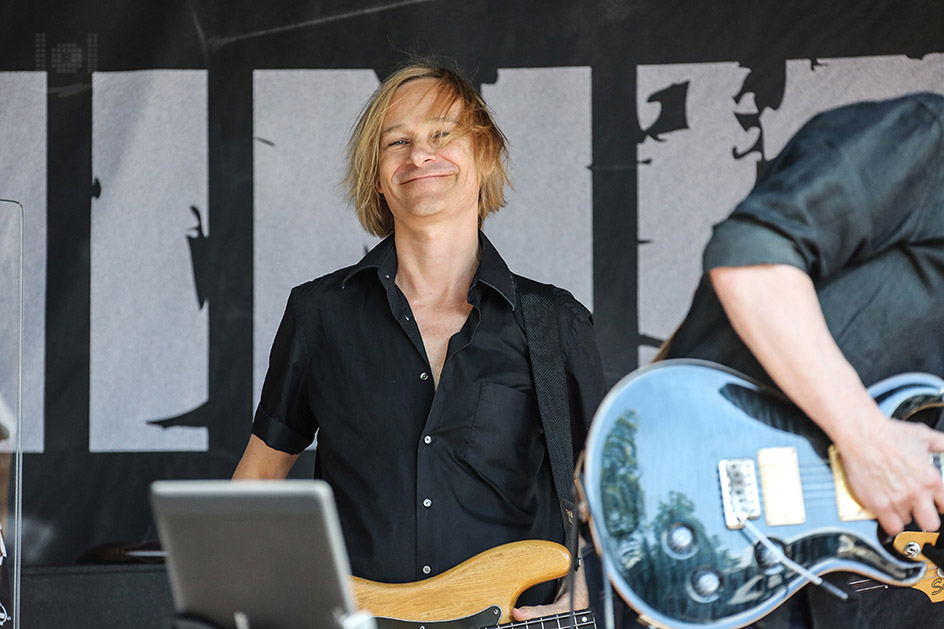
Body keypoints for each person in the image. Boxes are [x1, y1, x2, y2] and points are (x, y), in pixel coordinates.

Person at [233, 59, 606, 621]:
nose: (419, 155)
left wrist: (588, 586)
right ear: (377, 173)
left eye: (441, 134)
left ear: (483, 154)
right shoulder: (319, 314)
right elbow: (259, 478)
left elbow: (611, 492)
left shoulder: (554, 322)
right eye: (396, 142)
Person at [654, 91, 944, 628]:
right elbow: (751, 260)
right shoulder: (931, 138)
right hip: (715, 517)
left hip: (864, 591)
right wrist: (869, 439)